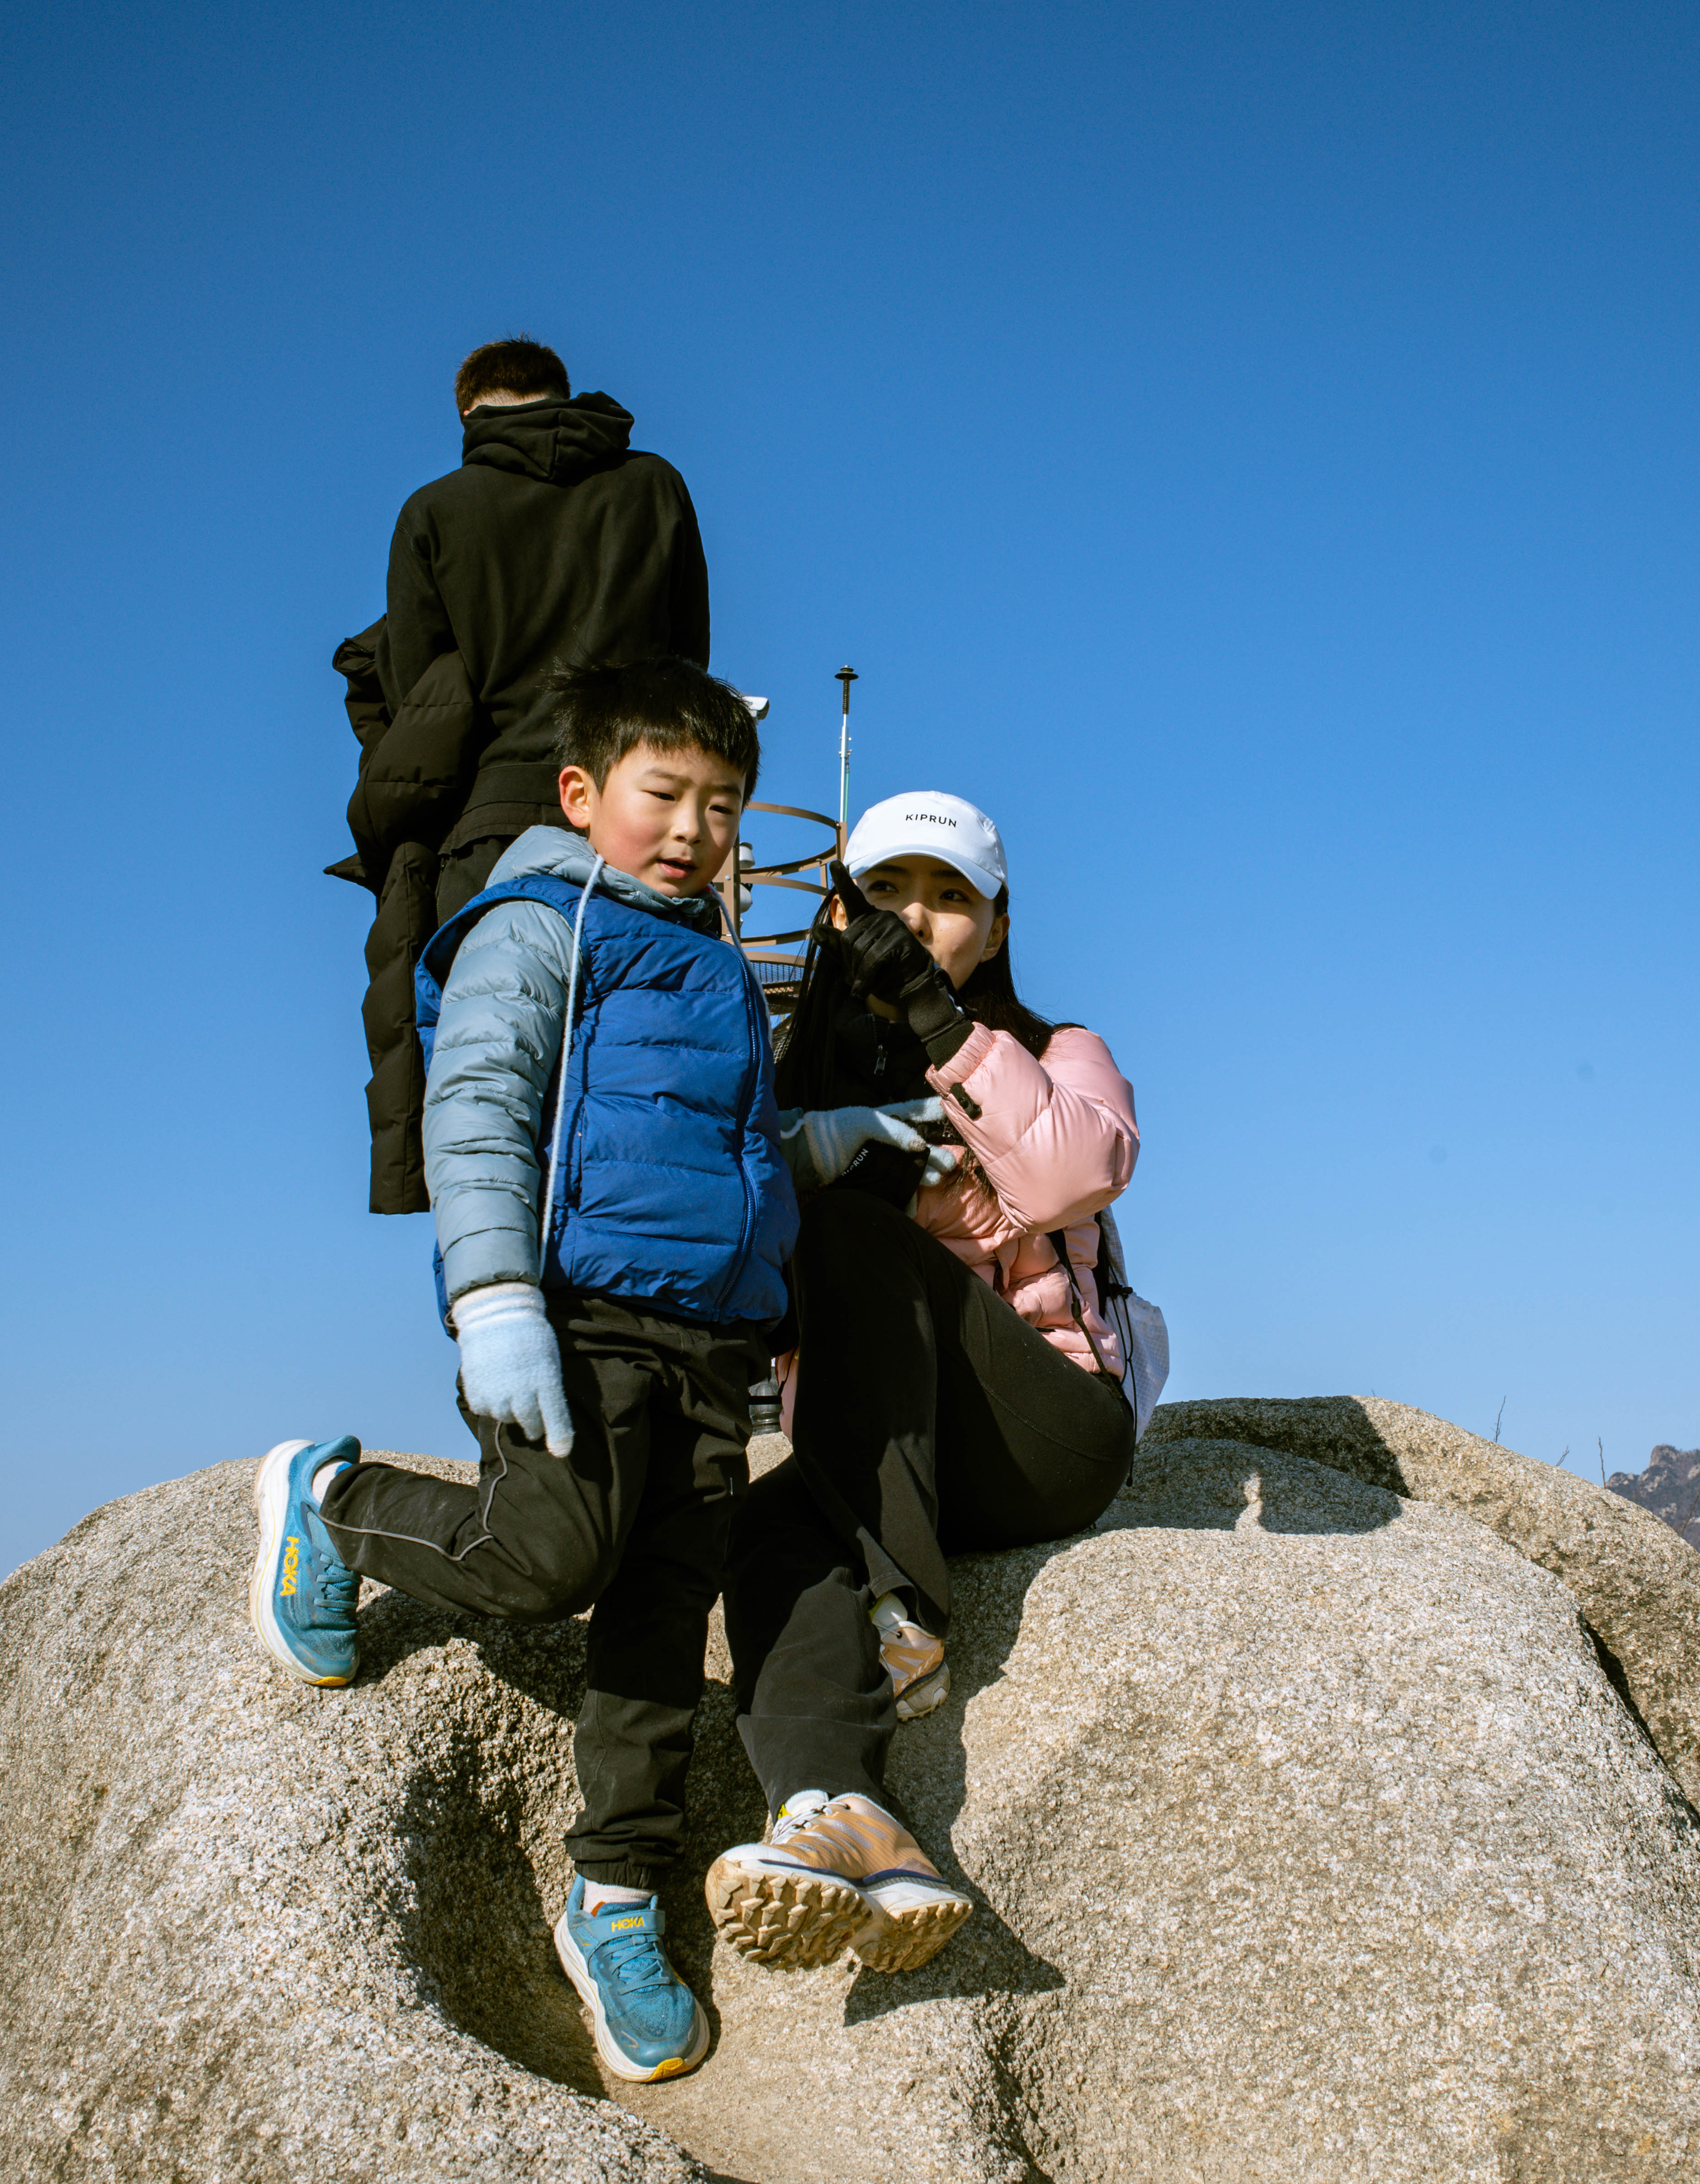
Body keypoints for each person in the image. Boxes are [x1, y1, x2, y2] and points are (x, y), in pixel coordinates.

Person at [251, 658, 914, 2084]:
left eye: (721, 805)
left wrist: (831, 1141)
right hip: (579, 1316)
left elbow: (728, 1154)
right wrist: (493, 1298)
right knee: (552, 1556)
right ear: (579, 792)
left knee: (660, 1629)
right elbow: (478, 1104)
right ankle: (333, 1505)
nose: (694, 828)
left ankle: (613, 1895)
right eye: (663, 794)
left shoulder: (720, 967)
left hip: (712, 1343)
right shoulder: (540, 925)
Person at [702, 791, 1144, 1978]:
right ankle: (839, 1812)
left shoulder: (1057, 1051)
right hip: (879, 1456)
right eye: (888, 891)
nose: (917, 917)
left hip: (1040, 1437)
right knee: (769, 1531)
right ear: (840, 914)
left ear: (995, 929)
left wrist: (939, 1025)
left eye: (950, 898)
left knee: (855, 1229)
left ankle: (905, 1612)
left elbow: (1069, 1179)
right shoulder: (782, 1074)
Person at [331, 337, 713, 1216]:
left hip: (490, 841)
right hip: (633, 824)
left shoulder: (434, 511)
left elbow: (422, 695)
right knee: (644, 1104)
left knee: (493, 1116)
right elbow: (687, 662)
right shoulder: (654, 485)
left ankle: (501, 1292)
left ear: (468, 413)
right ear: (559, 395)